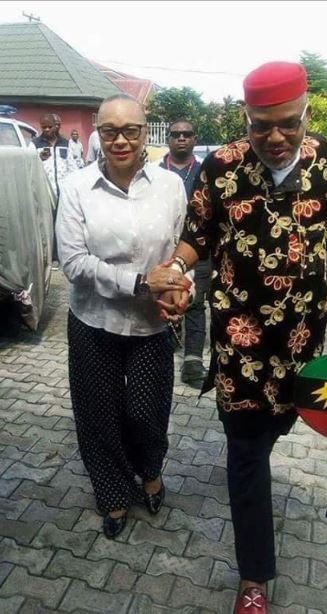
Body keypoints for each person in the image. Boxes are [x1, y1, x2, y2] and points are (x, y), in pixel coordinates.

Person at [156, 62, 327, 614]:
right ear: (245, 119)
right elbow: (196, 234)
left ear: (306, 115)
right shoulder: (221, 167)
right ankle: (254, 578)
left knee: (277, 425)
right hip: (240, 339)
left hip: (302, 336)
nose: (275, 138)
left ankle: (265, 441)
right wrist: (176, 270)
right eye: (261, 126)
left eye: (288, 124)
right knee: (246, 449)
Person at [56, 93, 191, 540]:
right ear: (98, 132)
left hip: (152, 324)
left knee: (147, 412)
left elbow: (180, 251)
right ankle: (113, 492)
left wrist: (178, 287)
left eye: (130, 131)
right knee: (99, 414)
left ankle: (150, 472)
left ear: (144, 132)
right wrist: (139, 283)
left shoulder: (170, 186)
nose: (120, 141)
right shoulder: (77, 187)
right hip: (94, 321)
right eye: (110, 131)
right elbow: (73, 262)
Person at [160, 119, 211, 388]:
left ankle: (192, 361)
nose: (181, 138)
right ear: (168, 139)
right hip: (163, 248)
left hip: (199, 249)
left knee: (195, 302)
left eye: (187, 134)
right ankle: (165, 345)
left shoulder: (206, 172)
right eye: (176, 134)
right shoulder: (155, 172)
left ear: (194, 139)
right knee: (164, 297)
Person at [32, 113, 78, 265]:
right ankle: (48, 256)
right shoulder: (35, 144)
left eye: (49, 127)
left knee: (63, 225)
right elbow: (29, 167)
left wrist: (73, 188)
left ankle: (60, 255)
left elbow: (72, 167)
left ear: (56, 126)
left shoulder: (66, 143)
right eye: (43, 127)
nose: (46, 130)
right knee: (46, 225)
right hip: (44, 192)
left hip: (63, 192)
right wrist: (39, 158)